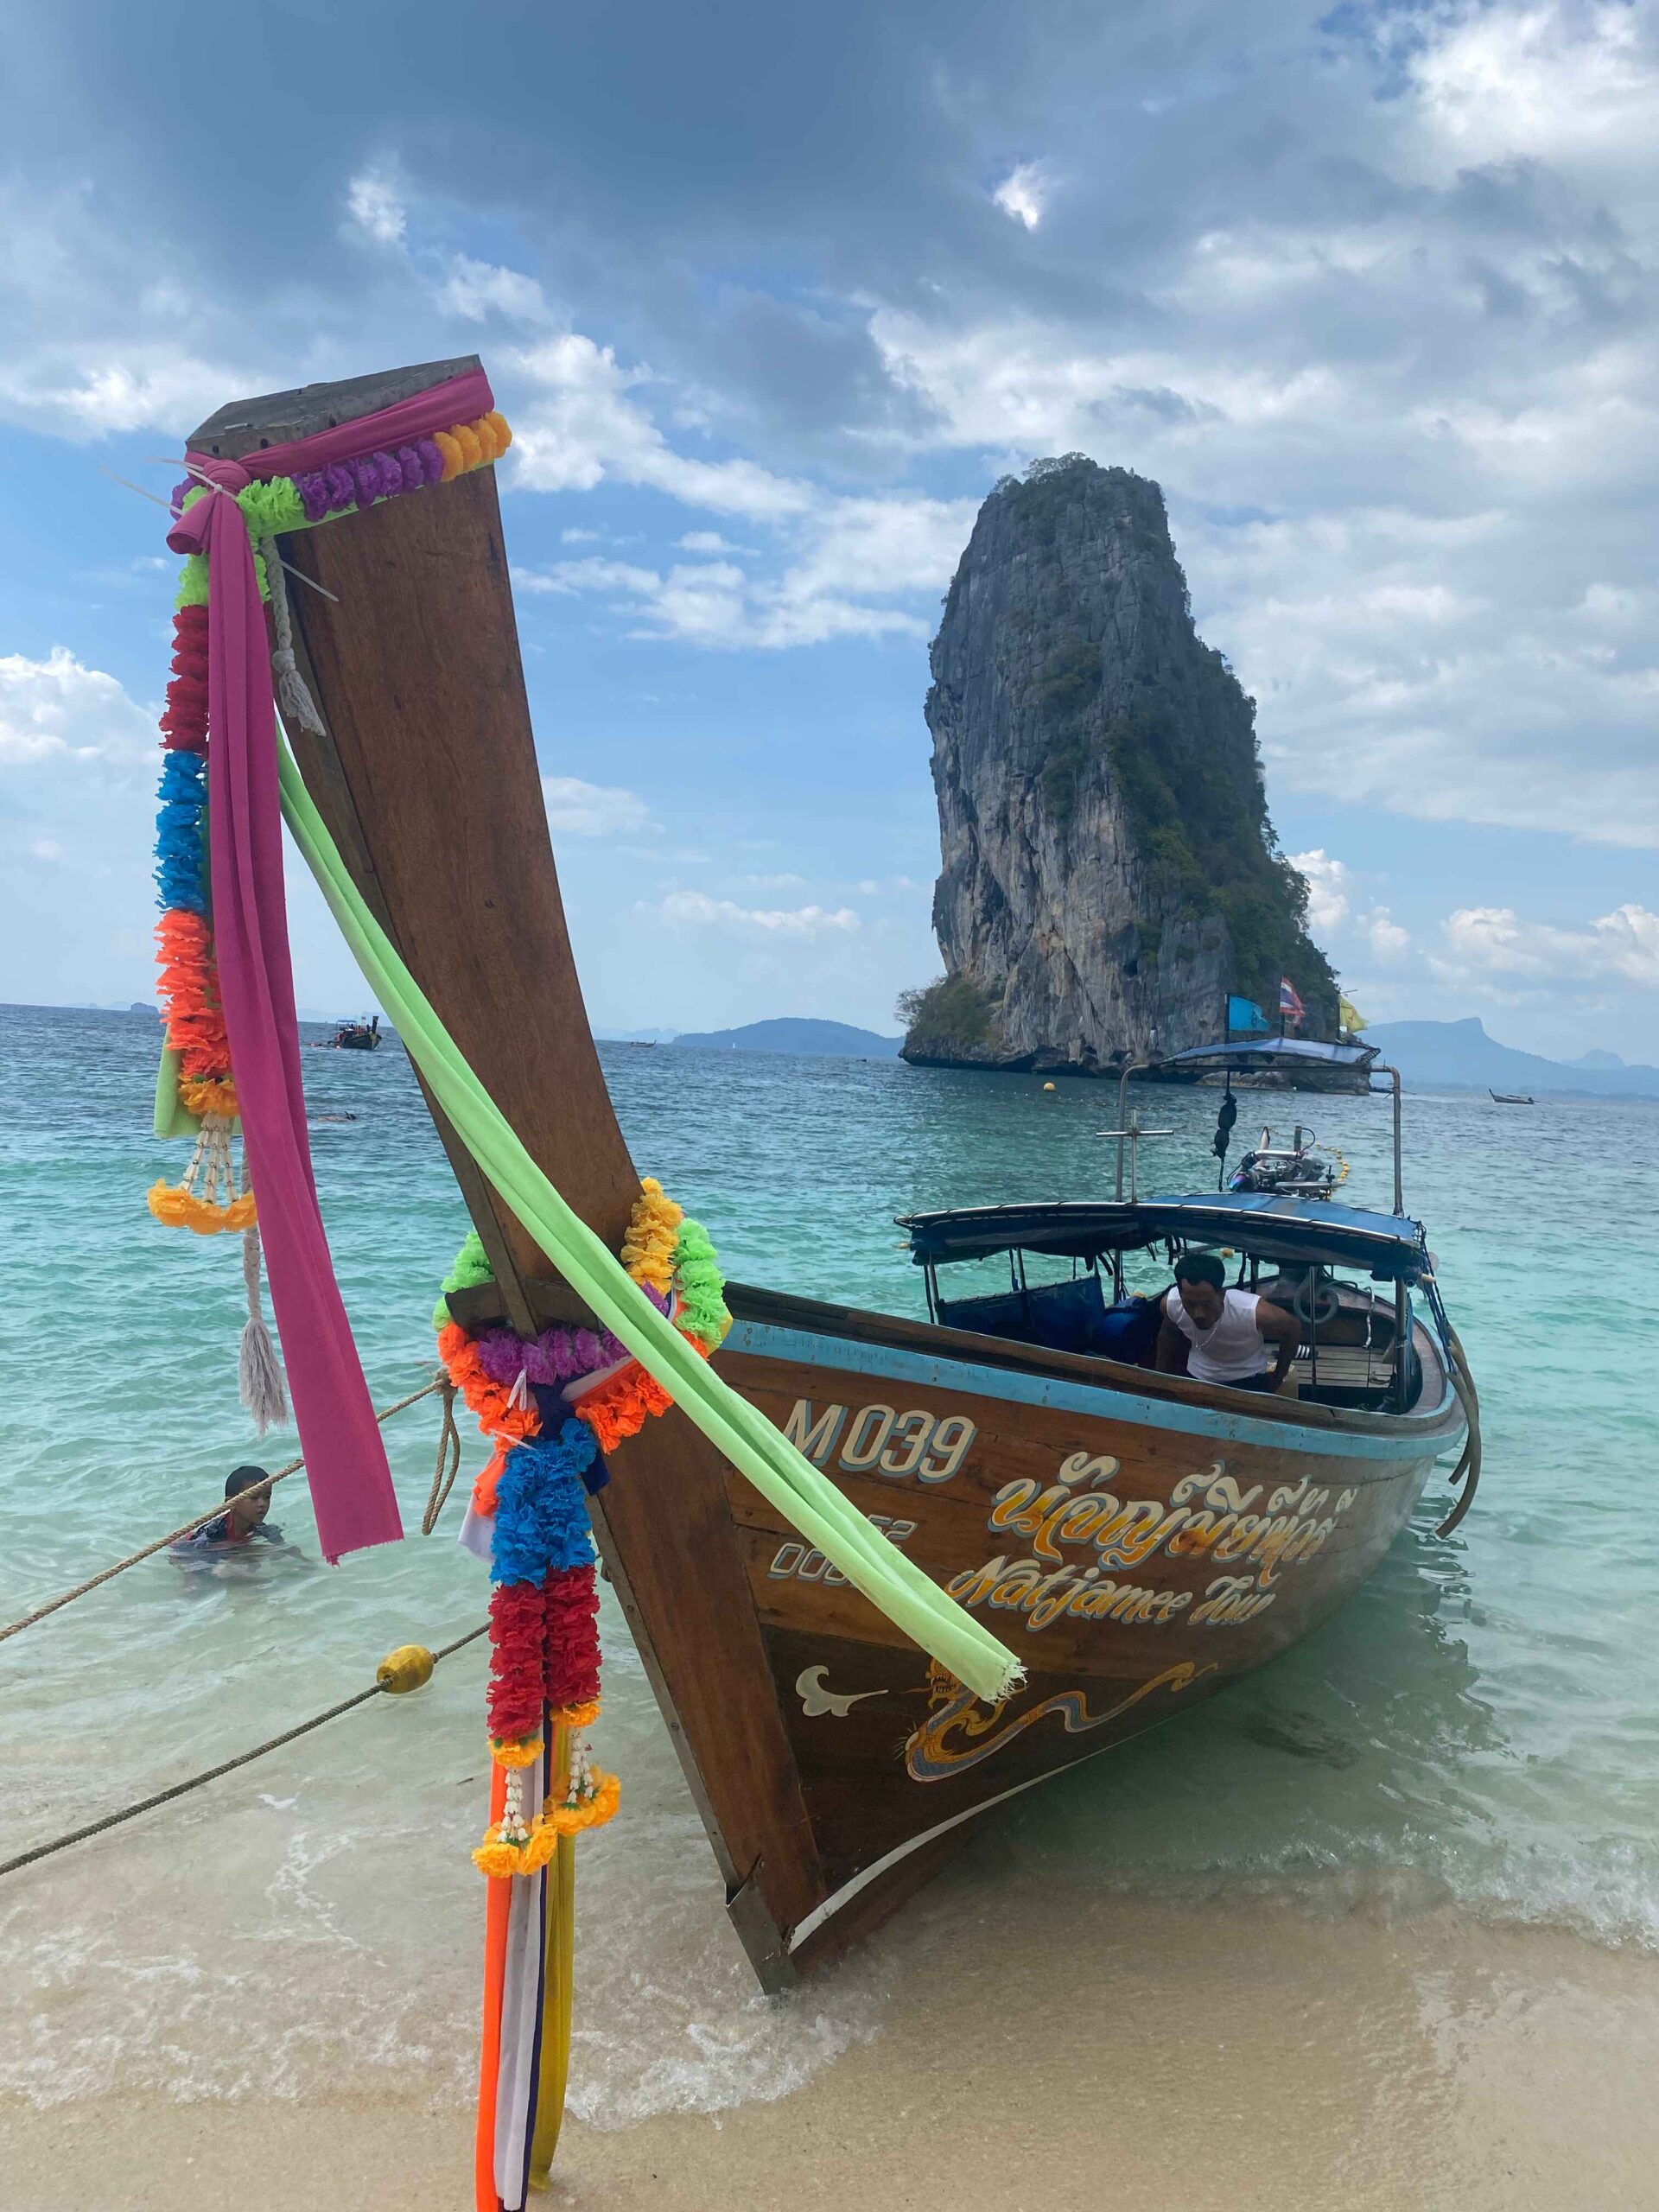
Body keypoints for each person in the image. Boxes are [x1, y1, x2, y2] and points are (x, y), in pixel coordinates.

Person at [1156, 1250, 1299, 1394]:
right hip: (1197, 1376)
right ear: (1180, 1294)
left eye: (1206, 1304)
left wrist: (1278, 1377)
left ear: (1222, 1293)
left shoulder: (1251, 1311)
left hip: (1249, 1379)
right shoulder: (1171, 1305)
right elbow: (1167, 1336)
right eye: (1190, 1304)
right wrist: (1161, 1381)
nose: (1198, 1314)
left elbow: (1293, 1328)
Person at [175, 1465, 287, 1553]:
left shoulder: (265, 1530)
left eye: (267, 1497)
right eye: (254, 1498)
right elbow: (192, 1561)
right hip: (186, 1548)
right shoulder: (213, 1533)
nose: (263, 1504)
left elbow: (287, 1550)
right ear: (231, 1503)